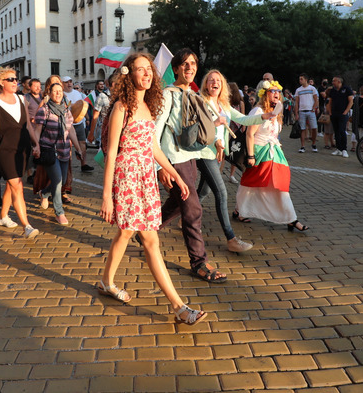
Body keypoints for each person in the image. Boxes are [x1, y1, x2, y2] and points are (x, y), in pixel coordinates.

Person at [98, 52, 208, 324]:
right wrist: (106, 196)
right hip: (126, 175)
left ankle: (105, 282)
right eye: (140, 70)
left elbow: (154, 147)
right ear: (128, 74)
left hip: (145, 177)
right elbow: (112, 153)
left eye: (149, 69)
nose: (147, 74)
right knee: (145, 238)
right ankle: (179, 307)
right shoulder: (122, 107)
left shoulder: (149, 105)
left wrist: (177, 176)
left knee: (127, 234)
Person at [156, 48, 227, 283]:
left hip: (189, 158)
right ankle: (198, 262)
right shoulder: (168, 94)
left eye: (193, 63)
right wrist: (161, 168)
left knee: (178, 202)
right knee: (193, 209)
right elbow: (155, 132)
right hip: (174, 160)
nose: (190, 67)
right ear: (175, 68)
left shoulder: (193, 94)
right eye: (184, 64)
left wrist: (216, 141)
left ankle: (146, 231)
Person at [196, 70, 268, 252]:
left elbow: (243, 118)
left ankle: (183, 215)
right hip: (204, 153)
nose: (215, 82)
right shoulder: (201, 102)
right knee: (221, 193)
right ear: (206, 84)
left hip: (217, 154)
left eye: (218, 80)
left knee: (203, 191)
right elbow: (197, 129)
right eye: (211, 80)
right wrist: (215, 126)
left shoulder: (224, 104)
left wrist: (262, 117)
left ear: (222, 85)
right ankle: (231, 238)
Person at [235, 80, 308, 232]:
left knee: (281, 184)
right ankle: (240, 211)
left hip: (274, 153)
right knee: (251, 183)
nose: (276, 94)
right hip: (259, 152)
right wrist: (250, 155)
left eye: (278, 91)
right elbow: (249, 134)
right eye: (272, 91)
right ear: (265, 94)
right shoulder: (258, 111)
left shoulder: (277, 112)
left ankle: (291, 218)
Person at [0, 68, 41, 238]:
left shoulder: (21, 99)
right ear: (1, 83)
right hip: (4, 151)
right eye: (10, 79)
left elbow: (28, 125)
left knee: (12, 183)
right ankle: (26, 226)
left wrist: (36, 143)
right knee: (17, 186)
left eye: (16, 79)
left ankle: (3, 216)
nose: (15, 82)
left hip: (22, 149)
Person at [32, 81, 83, 224]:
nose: (58, 93)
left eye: (60, 91)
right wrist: (36, 146)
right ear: (49, 94)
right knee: (58, 180)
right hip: (49, 150)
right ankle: (59, 212)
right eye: (55, 91)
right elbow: (37, 130)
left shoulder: (66, 110)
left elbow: (71, 130)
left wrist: (78, 149)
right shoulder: (45, 110)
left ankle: (45, 192)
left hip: (65, 150)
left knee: (60, 180)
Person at [63, 76, 94, 172]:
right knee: (69, 145)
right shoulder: (62, 94)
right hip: (67, 123)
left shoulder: (77, 93)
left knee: (82, 143)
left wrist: (87, 118)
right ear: (62, 84)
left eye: (70, 82)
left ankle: (83, 164)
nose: (69, 84)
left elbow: (82, 107)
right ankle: (68, 166)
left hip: (79, 123)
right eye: (66, 82)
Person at [327, 76, 354, 158]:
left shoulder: (347, 89)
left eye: (334, 81)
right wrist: (330, 112)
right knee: (336, 131)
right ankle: (338, 148)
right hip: (334, 113)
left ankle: (344, 149)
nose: (332, 82)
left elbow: (351, 102)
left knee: (342, 131)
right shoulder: (332, 90)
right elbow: (330, 102)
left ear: (339, 81)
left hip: (343, 114)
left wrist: (346, 112)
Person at [293, 73, 319, 153]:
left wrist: (314, 108)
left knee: (314, 128)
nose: (300, 81)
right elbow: (296, 102)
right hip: (302, 111)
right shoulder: (298, 90)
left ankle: (313, 144)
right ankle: (302, 146)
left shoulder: (312, 88)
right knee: (302, 129)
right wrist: (296, 113)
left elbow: (316, 100)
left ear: (306, 80)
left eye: (301, 79)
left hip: (310, 111)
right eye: (299, 79)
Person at [87, 79, 111, 149]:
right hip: (102, 122)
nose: (102, 86)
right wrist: (91, 133)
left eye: (103, 84)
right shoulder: (96, 94)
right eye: (100, 84)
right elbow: (95, 115)